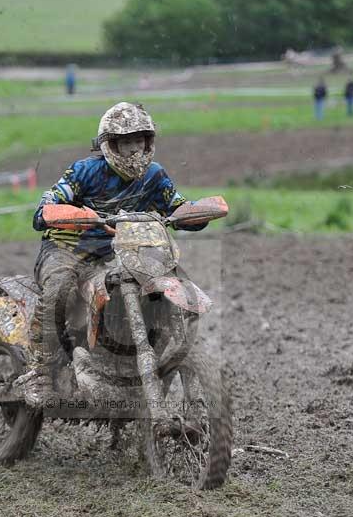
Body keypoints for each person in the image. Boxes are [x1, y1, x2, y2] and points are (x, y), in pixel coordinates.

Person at [15, 102, 208, 407]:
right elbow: (50, 201)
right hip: (69, 250)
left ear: (149, 142)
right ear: (110, 144)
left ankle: (146, 358)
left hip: (124, 253)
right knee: (61, 287)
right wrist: (56, 211)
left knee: (168, 280)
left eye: (139, 141)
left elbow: (176, 205)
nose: (133, 150)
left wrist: (195, 212)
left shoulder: (155, 176)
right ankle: (40, 371)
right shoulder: (85, 171)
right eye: (126, 142)